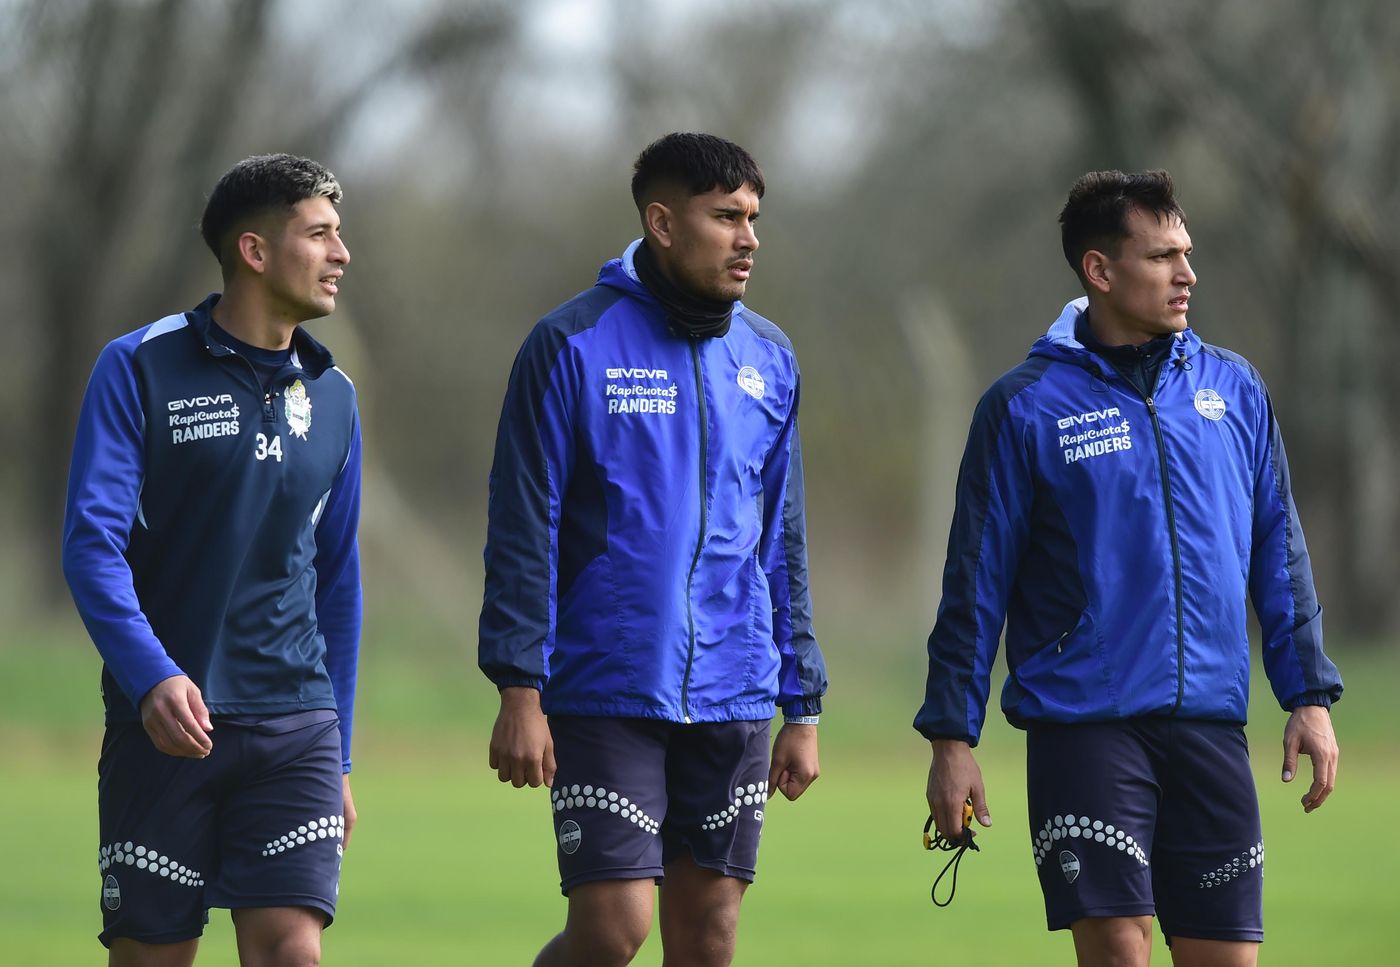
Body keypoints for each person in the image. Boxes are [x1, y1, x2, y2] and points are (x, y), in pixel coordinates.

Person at [915, 170, 1342, 966]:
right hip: (1087, 728)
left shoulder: (1235, 390)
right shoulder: (1023, 406)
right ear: (1099, 271)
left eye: (1187, 253)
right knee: (1117, 951)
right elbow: (975, 581)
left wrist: (1307, 695)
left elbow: (1279, 550)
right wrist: (951, 735)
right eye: (1162, 257)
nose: (1187, 274)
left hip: (1212, 727)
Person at [478, 132, 828, 967]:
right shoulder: (569, 343)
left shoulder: (769, 357)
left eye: (754, 217)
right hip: (606, 683)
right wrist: (519, 686)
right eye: (725, 217)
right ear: (662, 223)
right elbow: (523, 525)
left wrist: (801, 700)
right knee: (613, 928)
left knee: (707, 938)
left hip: (734, 688)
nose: (748, 237)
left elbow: (782, 537)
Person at [63, 153, 362, 966]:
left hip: (296, 723)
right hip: (163, 729)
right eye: (321, 234)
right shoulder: (138, 366)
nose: (342, 254)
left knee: (292, 952)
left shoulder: (336, 398)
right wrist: (150, 675)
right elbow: (91, 547)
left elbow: (337, 578)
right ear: (255, 251)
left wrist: (341, 751)